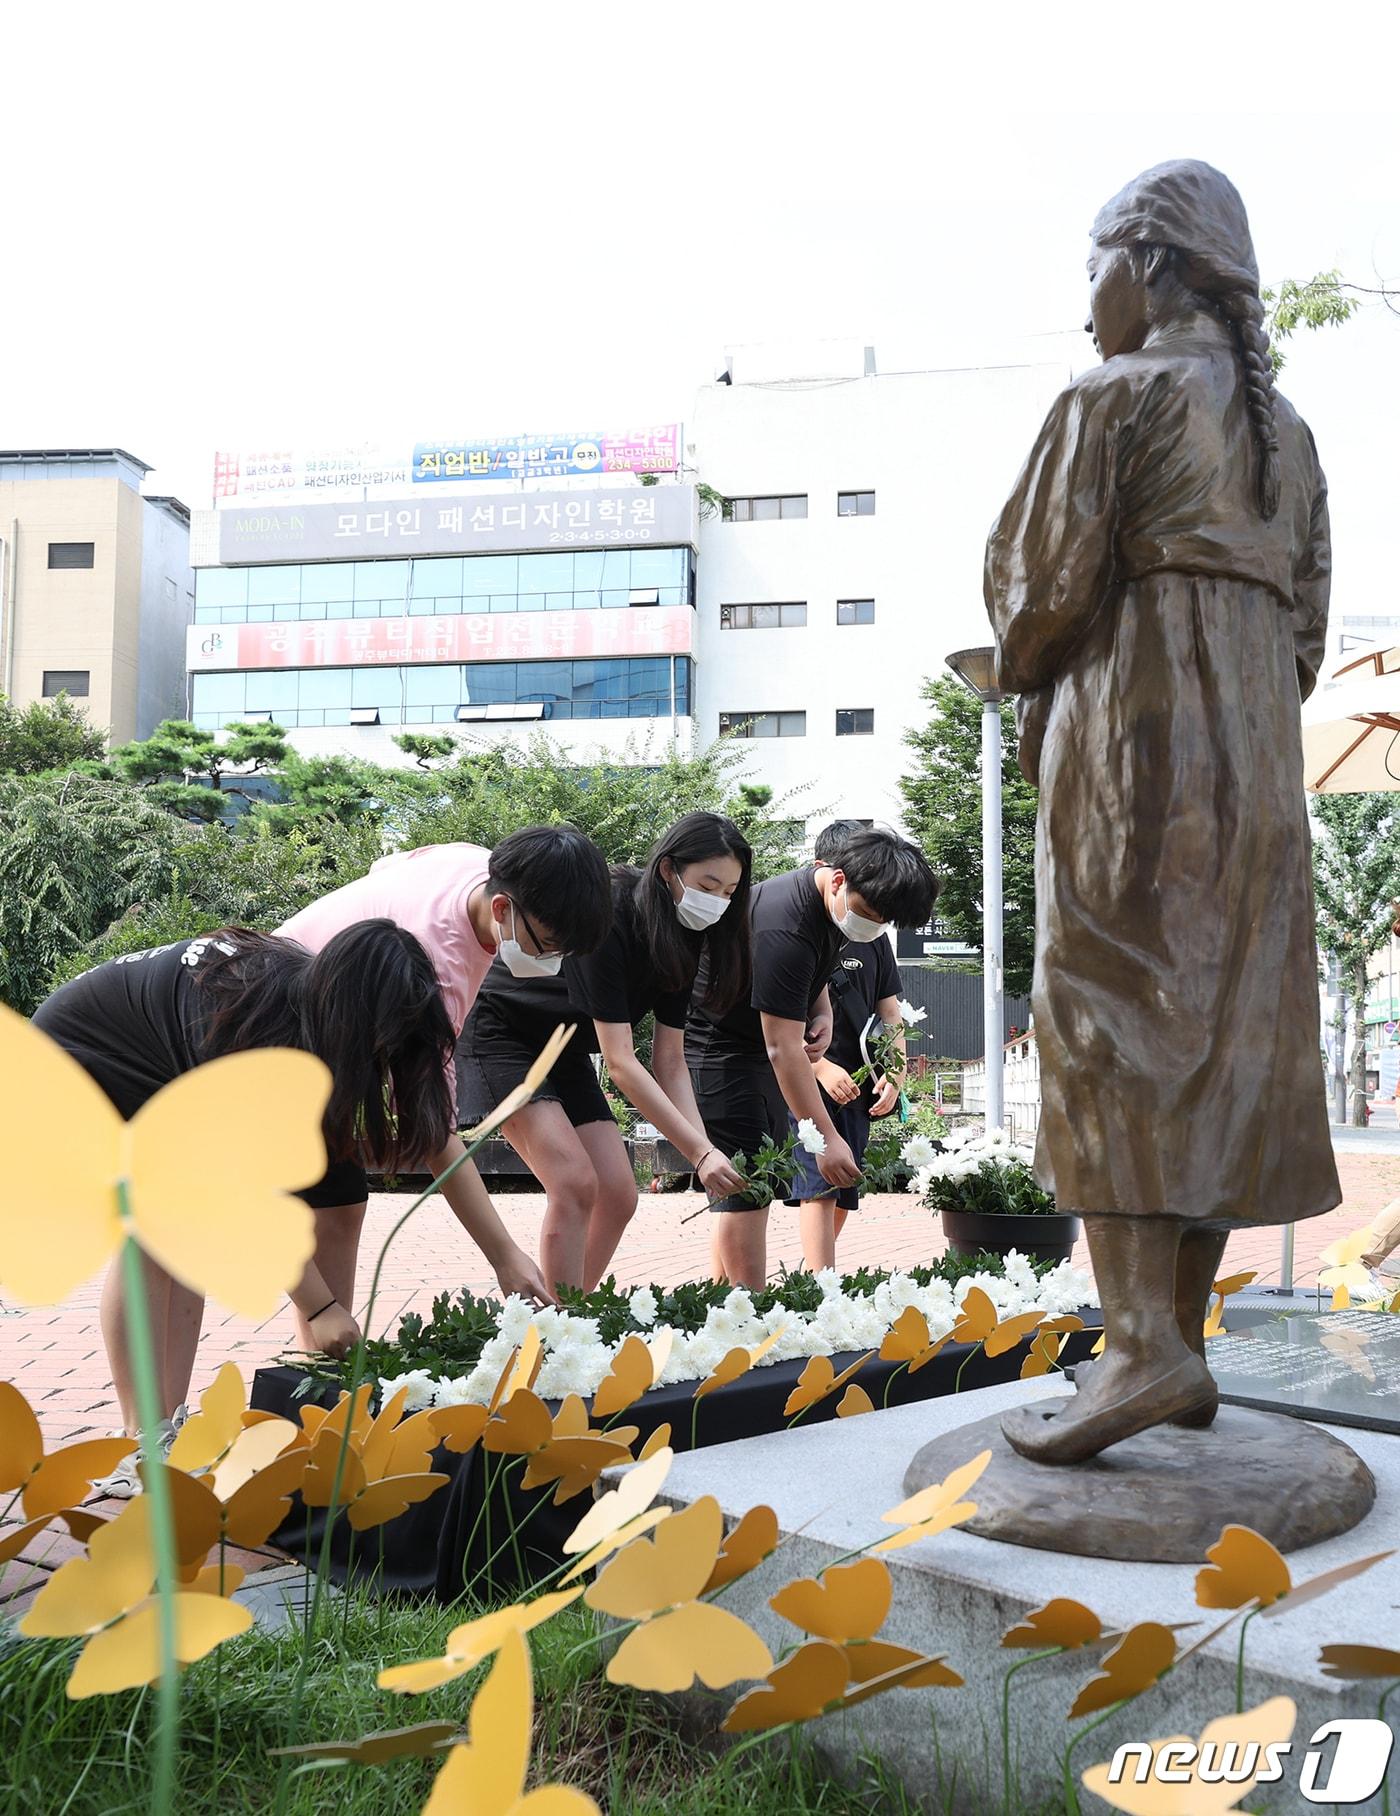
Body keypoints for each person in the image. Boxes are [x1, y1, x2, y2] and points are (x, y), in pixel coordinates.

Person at [986, 160, 1341, 1464]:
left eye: (1097, 265)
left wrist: (1046, 676)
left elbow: (1035, 598)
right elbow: (1308, 631)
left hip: (1134, 765)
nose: (1087, 299)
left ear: (1156, 263)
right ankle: (1177, 1344)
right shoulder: (1285, 436)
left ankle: (1139, 1351)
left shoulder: (1113, 398)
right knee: (1228, 1034)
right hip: (1254, 768)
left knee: (1115, 1028)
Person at [30, 921, 461, 1494]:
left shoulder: (317, 1021)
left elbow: (421, 1146)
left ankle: (184, 1430)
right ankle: (142, 1442)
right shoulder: (256, 1029)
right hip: (80, 1060)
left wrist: (505, 1255)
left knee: (336, 1194)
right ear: (352, 1019)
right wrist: (321, 1307)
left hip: (162, 1061)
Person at [275, 825, 613, 1345]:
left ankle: (325, 1359)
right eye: (547, 945)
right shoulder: (435, 969)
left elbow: (386, 869)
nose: (553, 963)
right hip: (289, 1019)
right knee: (323, 1199)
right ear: (502, 908)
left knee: (342, 1204)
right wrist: (504, 1257)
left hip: (325, 1006)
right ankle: (323, 1349)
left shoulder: (473, 860)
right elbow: (433, 1132)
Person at [458, 812, 755, 1291]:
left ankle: (570, 1316)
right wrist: (699, 1154)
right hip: (500, 1032)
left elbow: (669, 1061)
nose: (717, 901)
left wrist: (707, 1151)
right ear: (668, 869)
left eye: (728, 892)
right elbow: (619, 1062)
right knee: (575, 1182)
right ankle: (549, 1332)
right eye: (708, 883)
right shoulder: (614, 910)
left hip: (563, 1048)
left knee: (618, 1194)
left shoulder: (687, 935)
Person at [686, 826, 938, 1288]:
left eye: (883, 922)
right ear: (838, 879)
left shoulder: (825, 905)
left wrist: (819, 1009)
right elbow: (782, 1047)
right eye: (867, 913)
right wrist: (825, 1139)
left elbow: (815, 976)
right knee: (745, 1190)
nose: (871, 926)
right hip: (722, 1049)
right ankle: (747, 1308)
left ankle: (721, 1300)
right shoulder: (785, 923)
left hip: (755, 1046)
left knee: (748, 1184)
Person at [784, 820, 918, 1270]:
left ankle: (812, 1273)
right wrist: (820, 1068)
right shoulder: (801, 930)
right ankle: (823, 1286)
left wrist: (895, 1076)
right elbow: (778, 1027)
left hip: (861, 1082)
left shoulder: (874, 938)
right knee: (817, 1187)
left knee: (845, 1186)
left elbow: (890, 1012)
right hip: (805, 1078)